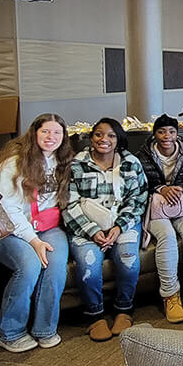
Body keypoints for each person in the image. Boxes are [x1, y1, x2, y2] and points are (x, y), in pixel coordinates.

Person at [0, 114, 73, 352]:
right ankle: (8, 331)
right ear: (34, 132)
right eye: (45, 131)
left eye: (57, 132)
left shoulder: (63, 160)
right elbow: (8, 208)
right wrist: (34, 241)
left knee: (55, 268)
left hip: (48, 227)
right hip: (9, 229)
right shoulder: (15, 162)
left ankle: (45, 329)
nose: (51, 137)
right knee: (30, 265)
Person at [63, 118, 147, 341]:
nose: (104, 139)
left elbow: (138, 199)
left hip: (123, 223)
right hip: (85, 226)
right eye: (99, 134)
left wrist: (119, 227)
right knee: (88, 268)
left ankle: (124, 309)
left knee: (129, 262)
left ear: (118, 139)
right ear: (91, 138)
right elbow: (68, 203)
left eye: (111, 135)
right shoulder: (76, 164)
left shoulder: (130, 163)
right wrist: (92, 231)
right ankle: (95, 315)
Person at [137, 115, 183, 324]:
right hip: (155, 207)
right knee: (167, 236)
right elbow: (140, 185)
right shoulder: (143, 155)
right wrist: (161, 189)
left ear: (177, 134)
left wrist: (178, 189)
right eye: (161, 132)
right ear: (154, 134)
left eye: (171, 132)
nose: (166, 136)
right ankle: (170, 295)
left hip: (182, 205)